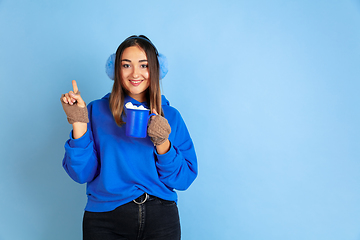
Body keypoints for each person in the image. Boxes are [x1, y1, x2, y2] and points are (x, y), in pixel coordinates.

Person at [60, 35, 198, 240]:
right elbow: (82, 174)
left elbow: (184, 179)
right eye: (126, 65)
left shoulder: (171, 116)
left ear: (155, 69)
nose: (135, 73)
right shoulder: (96, 111)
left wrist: (162, 143)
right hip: (104, 220)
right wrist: (78, 122)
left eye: (144, 65)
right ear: (116, 70)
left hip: (161, 219)